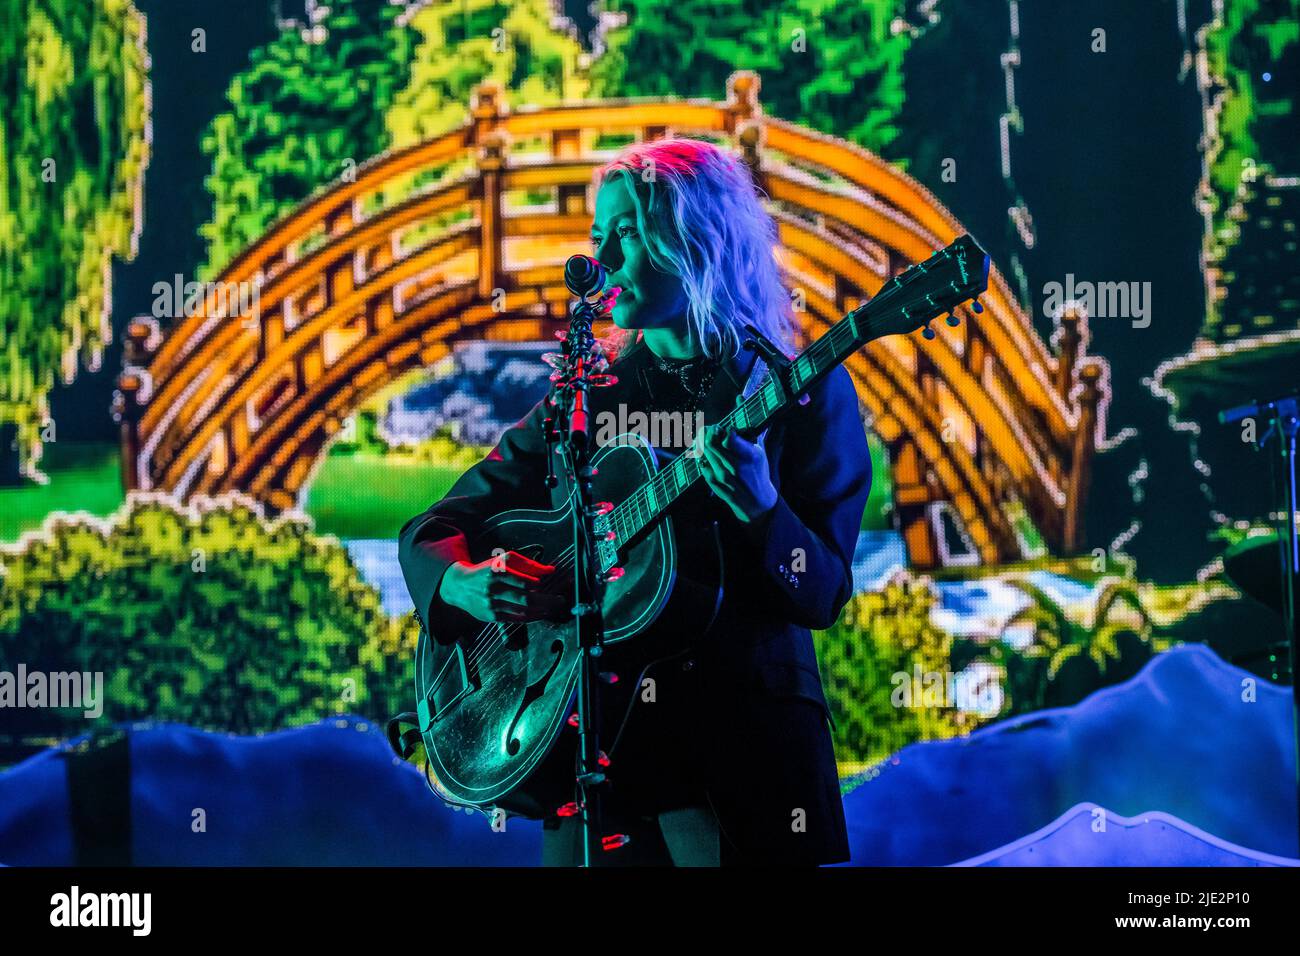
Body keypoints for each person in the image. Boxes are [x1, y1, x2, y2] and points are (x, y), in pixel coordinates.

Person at [398, 137, 872, 866]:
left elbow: (825, 591)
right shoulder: (590, 394)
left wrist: (765, 510)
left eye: (626, 232)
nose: (604, 259)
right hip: (596, 763)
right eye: (599, 234)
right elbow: (437, 529)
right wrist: (460, 582)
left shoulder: (800, 390)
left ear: (695, 239)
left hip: (742, 766)